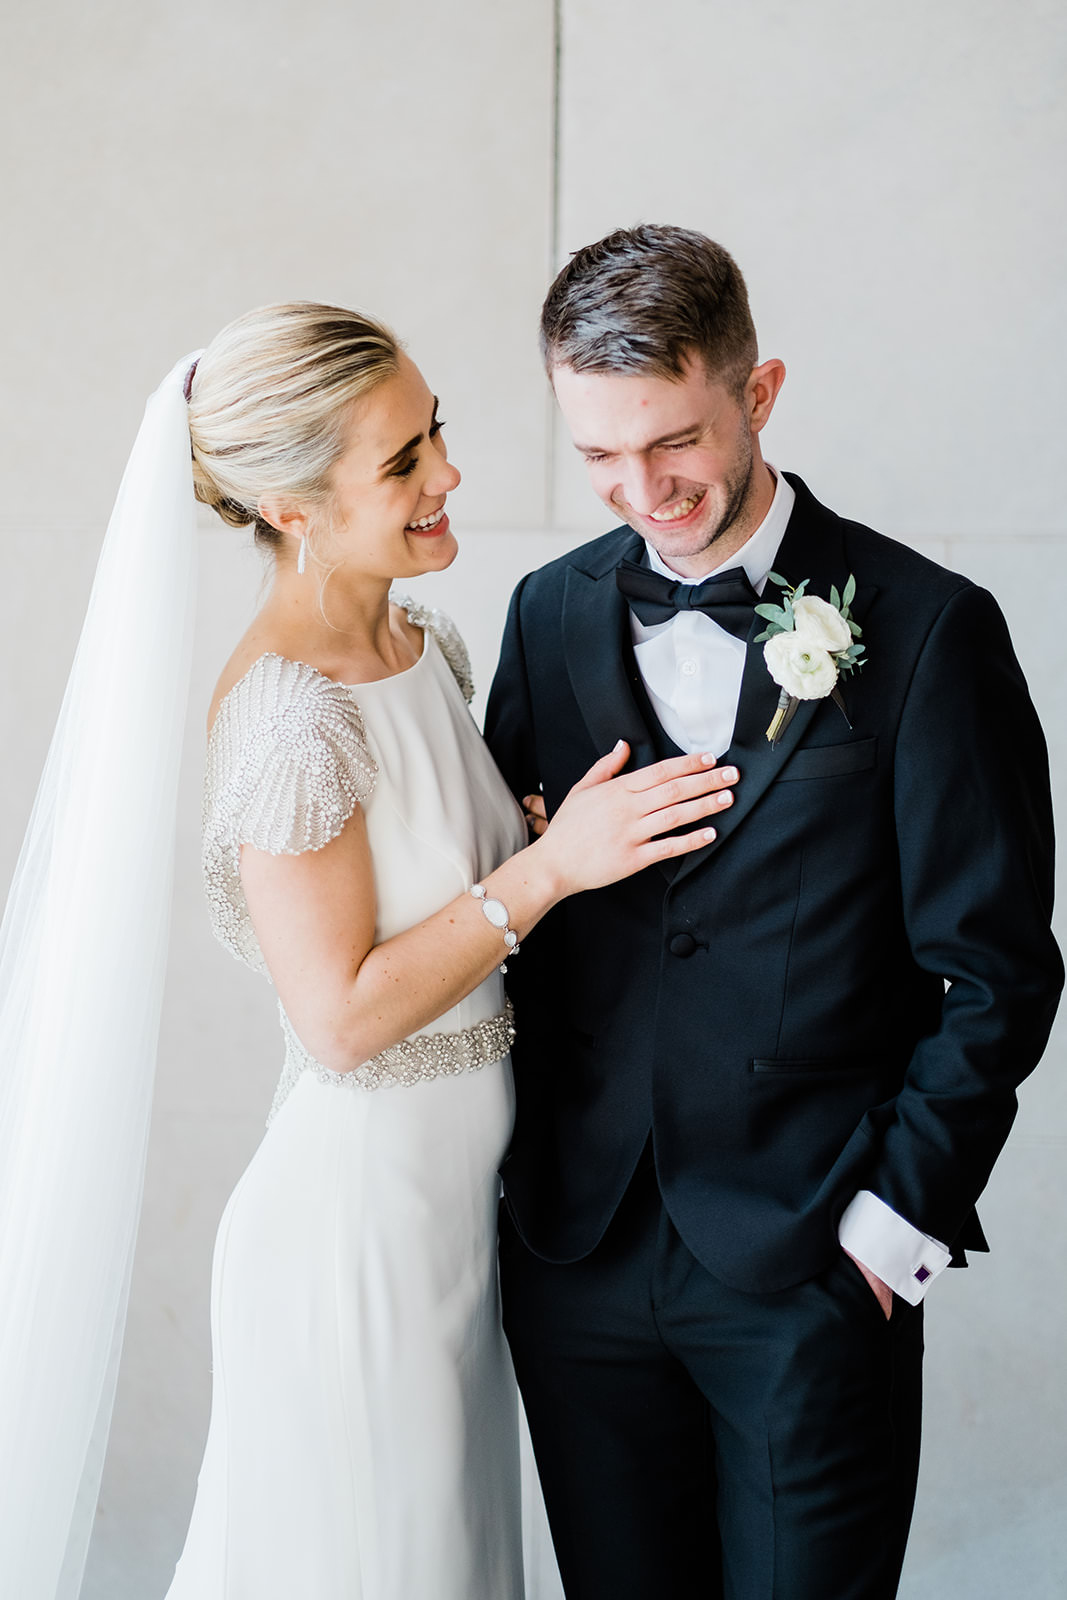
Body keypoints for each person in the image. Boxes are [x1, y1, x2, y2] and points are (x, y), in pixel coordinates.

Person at [0, 300, 741, 1599]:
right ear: (292, 506)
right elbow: (339, 1014)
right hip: (353, 1246)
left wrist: (534, 839)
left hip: (459, 1227)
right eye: (403, 461)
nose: (449, 473)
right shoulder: (288, 712)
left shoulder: (419, 642)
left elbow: (439, 887)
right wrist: (550, 866)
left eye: (434, 431)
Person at [484, 225, 1063, 1599]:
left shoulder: (929, 629)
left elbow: (997, 972)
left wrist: (891, 1226)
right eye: (597, 457)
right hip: (579, 1255)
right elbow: (508, 890)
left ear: (761, 390)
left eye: (672, 441)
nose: (640, 490)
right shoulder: (544, 616)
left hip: (812, 1259)